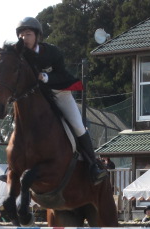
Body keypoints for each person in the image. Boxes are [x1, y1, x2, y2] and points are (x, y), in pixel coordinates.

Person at [16, 17, 107, 185]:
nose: (24, 38)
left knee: (78, 126)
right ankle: (13, 167)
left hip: (59, 93)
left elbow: (62, 76)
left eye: (28, 34)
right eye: (21, 35)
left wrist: (44, 77)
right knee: (19, 127)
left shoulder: (52, 52)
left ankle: (93, 166)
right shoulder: (19, 55)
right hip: (37, 97)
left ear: (37, 36)